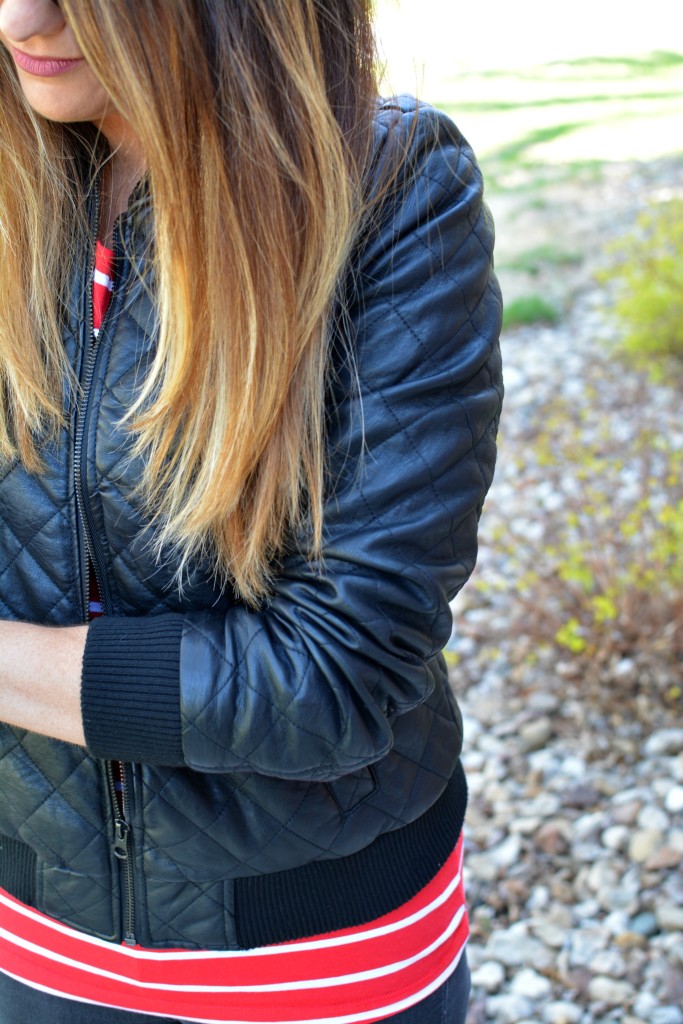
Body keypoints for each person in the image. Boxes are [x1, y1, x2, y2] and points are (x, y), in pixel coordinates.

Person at [0, 1, 503, 1021]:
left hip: (316, 963)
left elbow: (334, 677)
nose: (21, 18)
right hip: (27, 934)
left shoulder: (389, 191)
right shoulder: (19, 186)